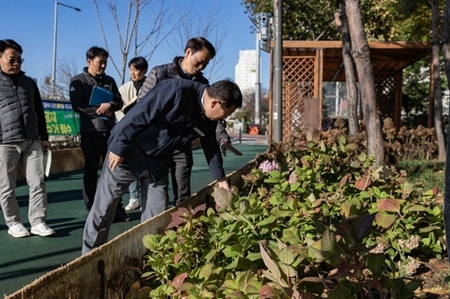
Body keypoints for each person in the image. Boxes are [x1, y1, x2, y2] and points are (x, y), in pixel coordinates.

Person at [81, 78, 242, 254]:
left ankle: (147, 261)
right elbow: (138, 115)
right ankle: (89, 257)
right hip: (127, 155)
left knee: (156, 216)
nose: (224, 119)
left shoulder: (208, 120)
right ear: (215, 103)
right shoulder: (175, 90)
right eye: (225, 114)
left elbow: (211, 146)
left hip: (157, 163)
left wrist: (221, 178)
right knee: (103, 210)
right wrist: (119, 146)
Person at [137, 37, 242, 206]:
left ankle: (182, 224)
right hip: (157, 143)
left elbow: (211, 120)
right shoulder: (160, 73)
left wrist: (222, 139)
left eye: (205, 65)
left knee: (183, 190)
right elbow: (142, 107)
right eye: (200, 62)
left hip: (182, 144)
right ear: (188, 52)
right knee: (159, 193)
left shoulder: (203, 83)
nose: (201, 68)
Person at [0, 39, 55, 237]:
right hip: (5, 143)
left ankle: (38, 221)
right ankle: (14, 222)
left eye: (19, 60)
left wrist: (44, 136)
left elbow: (39, 111)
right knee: (7, 186)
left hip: (32, 140)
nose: (16, 64)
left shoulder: (29, 82)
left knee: (37, 181)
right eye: (11, 59)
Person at [69, 46, 129, 221]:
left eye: (105, 63)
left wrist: (111, 105)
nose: (103, 66)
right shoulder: (77, 81)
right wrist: (98, 109)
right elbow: (77, 105)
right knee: (91, 171)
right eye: (99, 62)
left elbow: (119, 101)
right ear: (89, 61)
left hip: (110, 132)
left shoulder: (109, 80)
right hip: (91, 132)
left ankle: (117, 208)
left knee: (114, 171)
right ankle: (92, 207)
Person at [116, 56, 148, 211]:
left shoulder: (152, 86)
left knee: (147, 168)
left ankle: (146, 200)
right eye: (131, 69)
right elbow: (118, 111)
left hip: (147, 134)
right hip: (130, 133)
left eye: (136, 70)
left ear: (144, 71)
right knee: (130, 167)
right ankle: (134, 198)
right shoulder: (124, 89)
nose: (133, 73)